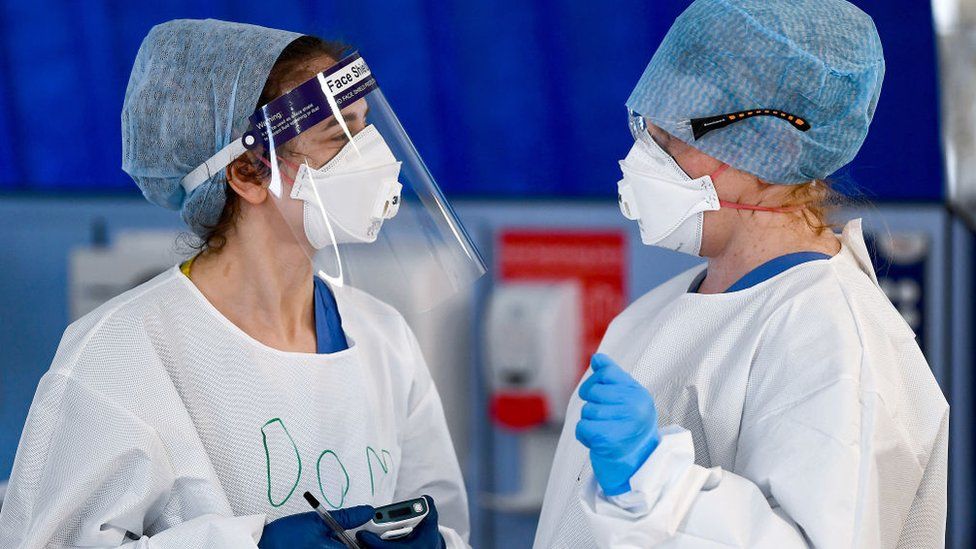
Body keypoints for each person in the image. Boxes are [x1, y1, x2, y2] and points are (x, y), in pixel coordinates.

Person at [0, 19, 484, 548]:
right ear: (248, 175)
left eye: (364, 127)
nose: (371, 155)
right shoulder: (119, 355)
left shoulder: (383, 336)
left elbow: (445, 521)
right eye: (338, 135)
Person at [534, 0, 948, 547]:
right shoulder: (656, 314)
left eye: (676, 131)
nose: (643, 156)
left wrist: (656, 480)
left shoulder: (834, 339)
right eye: (648, 124)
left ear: (773, 148)